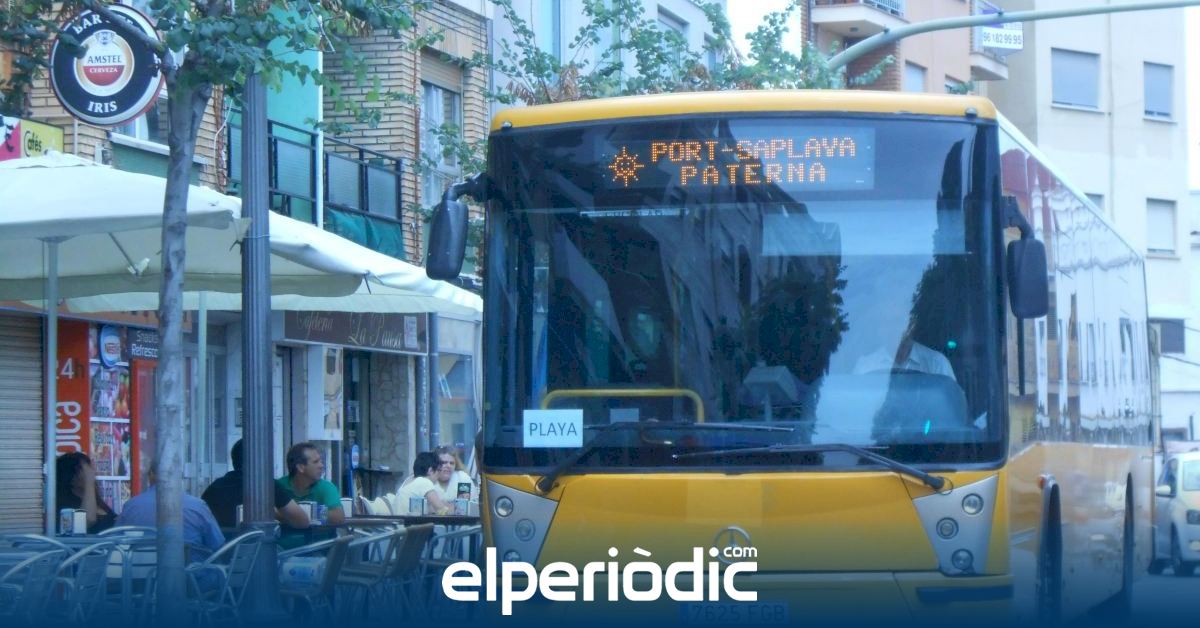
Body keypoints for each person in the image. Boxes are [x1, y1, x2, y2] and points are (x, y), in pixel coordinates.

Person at [117, 462, 225, 559]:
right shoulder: (197, 506)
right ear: (179, 476)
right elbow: (217, 545)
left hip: (139, 572)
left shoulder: (131, 506)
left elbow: (115, 541)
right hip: (192, 572)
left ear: (151, 474)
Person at [202, 439, 309, 531]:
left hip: (221, 547)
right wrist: (273, 513)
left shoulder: (215, 487)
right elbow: (302, 521)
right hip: (258, 546)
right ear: (261, 462)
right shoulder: (266, 485)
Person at [276, 443, 344, 548]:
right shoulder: (279, 486)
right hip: (281, 551)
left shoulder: (326, 487)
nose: (321, 465)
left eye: (321, 461)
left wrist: (302, 513)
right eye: (316, 462)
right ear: (300, 467)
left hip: (317, 550)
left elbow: (338, 517)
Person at [56, 452, 117, 533]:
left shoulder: (97, 501)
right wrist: (89, 481)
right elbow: (88, 520)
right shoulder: (65, 506)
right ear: (71, 476)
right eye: (84, 470)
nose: (91, 472)